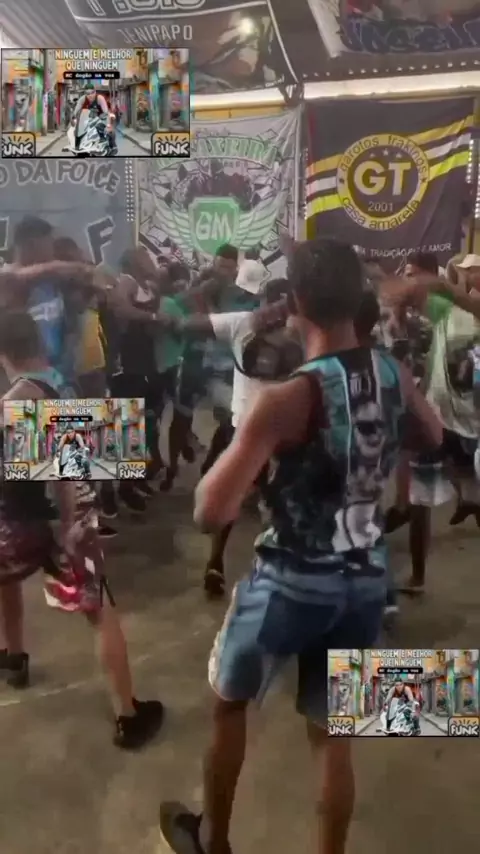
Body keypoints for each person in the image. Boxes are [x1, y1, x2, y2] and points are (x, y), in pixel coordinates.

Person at [159, 238, 443, 854]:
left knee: (230, 704)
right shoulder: (390, 372)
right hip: (365, 580)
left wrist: (249, 453)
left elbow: (210, 512)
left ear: (297, 303)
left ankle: (213, 840)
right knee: (333, 732)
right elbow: (432, 433)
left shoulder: (288, 397)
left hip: (290, 580)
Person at [0, 311, 164, 747]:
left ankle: (14, 656)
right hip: (58, 518)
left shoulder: (17, 399)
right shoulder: (63, 385)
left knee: (7, 574)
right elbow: (76, 472)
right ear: (39, 340)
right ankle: (128, 714)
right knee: (98, 608)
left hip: (19, 525)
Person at [73, 81, 116, 153]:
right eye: (87, 93)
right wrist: (74, 117)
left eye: (92, 92)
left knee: (110, 130)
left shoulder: (100, 98)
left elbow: (105, 111)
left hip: (100, 119)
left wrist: (104, 117)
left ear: (95, 92)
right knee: (76, 129)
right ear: (85, 94)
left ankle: (113, 146)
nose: (90, 95)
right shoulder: (82, 99)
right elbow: (76, 110)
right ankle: (77, 145)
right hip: (87, 121)